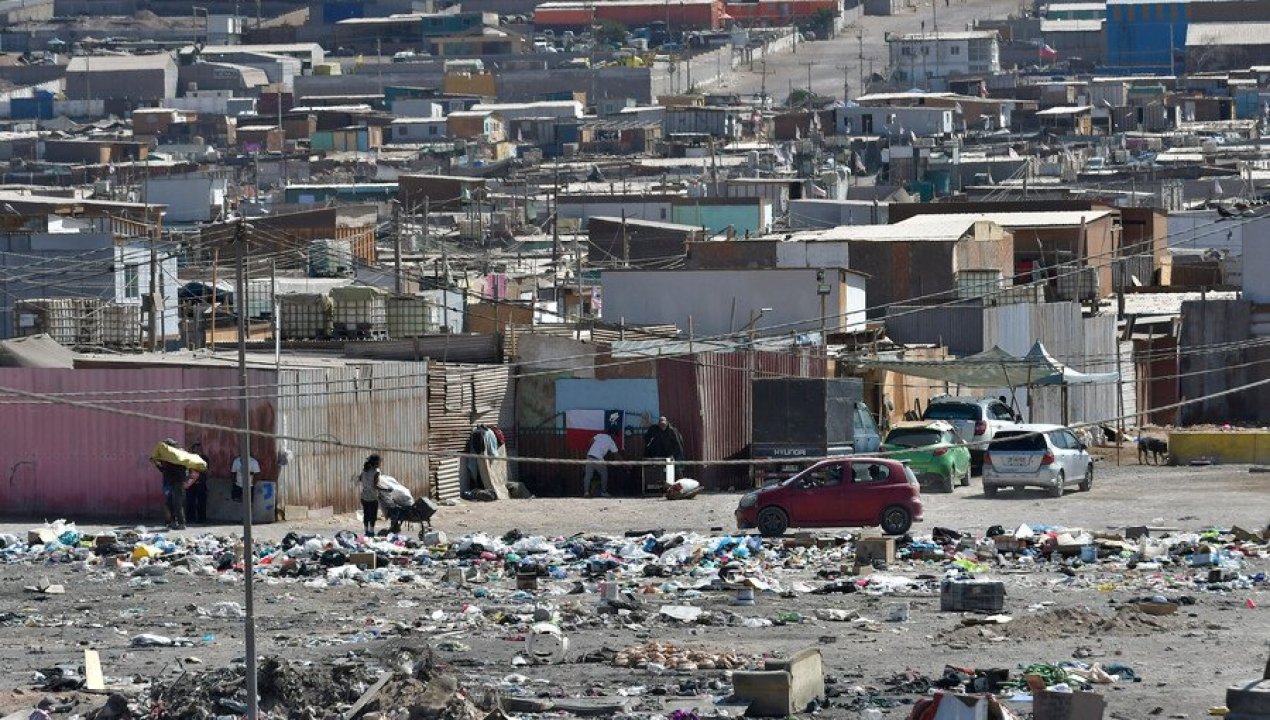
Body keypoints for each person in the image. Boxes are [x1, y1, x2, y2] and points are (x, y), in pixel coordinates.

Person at [153, 438, 188, 530]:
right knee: (169, 503)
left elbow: (181, 469)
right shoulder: (167, 458)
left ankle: (181, 523)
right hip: (170, 482)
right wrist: (157, 464)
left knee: (177, 503)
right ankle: (173, 522)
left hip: (178, 482)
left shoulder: (177, 456)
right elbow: (164, 470)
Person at [582, 432, 619, 498]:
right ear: (613, 435)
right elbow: (616, 454)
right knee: (604, 474)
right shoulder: (611, 441)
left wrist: (589, 451)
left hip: (589, 456)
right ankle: (603, 492)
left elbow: (590, 441)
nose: (615, 439)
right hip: (598, 459)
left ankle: (586, 492)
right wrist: (622, 462)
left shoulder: (599, 435)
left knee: (588, 476)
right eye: (615, 437)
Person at [355, 454, 382, 535]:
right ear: (375, 463)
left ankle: (366, 531)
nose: (380, 463)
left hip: (364, 496)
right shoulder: (376, 472)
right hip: (372, 497)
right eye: (379, 462)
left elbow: (359, 479)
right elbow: (375, 485)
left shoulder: (364, 471)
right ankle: (371, 531)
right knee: (373, 515)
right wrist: (385, 489)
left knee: (366, 514)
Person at [184, 441, 209, 524]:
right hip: (190, 483)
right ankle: (190, 518)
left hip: (201, 483)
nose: (198, 450)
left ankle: (202, 519)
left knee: (201, 501)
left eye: (199, 449)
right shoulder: (189, 458)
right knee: (190, 501)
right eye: (196, 449)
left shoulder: (204, 458)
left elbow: (205, 470)